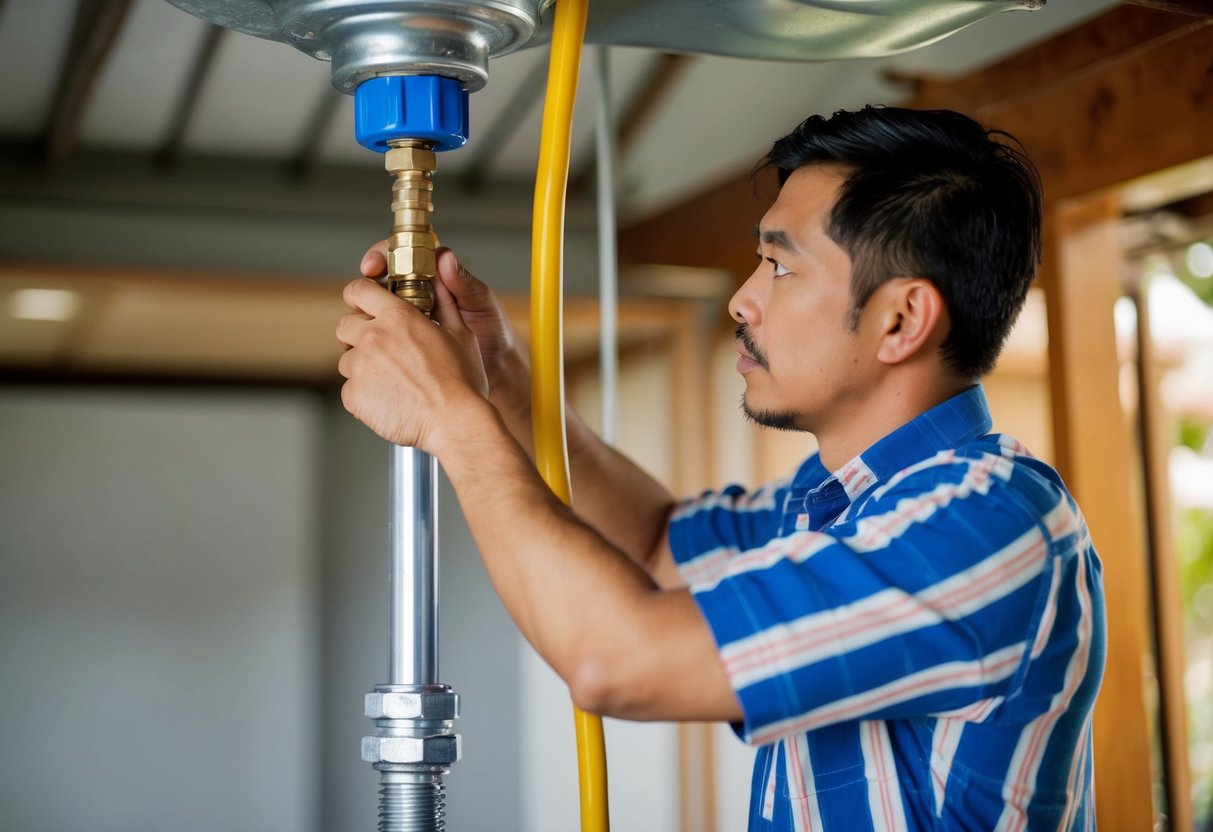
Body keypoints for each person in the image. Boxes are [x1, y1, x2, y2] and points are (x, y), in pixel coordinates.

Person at [336, 106, 1106, 831]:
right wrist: (498, 376)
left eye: (778, 266)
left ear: (900, 320)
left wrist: (450, 419)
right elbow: (652, 540)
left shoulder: (988, 523)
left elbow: (617, 660)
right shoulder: (834, 510)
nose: (741, 300)